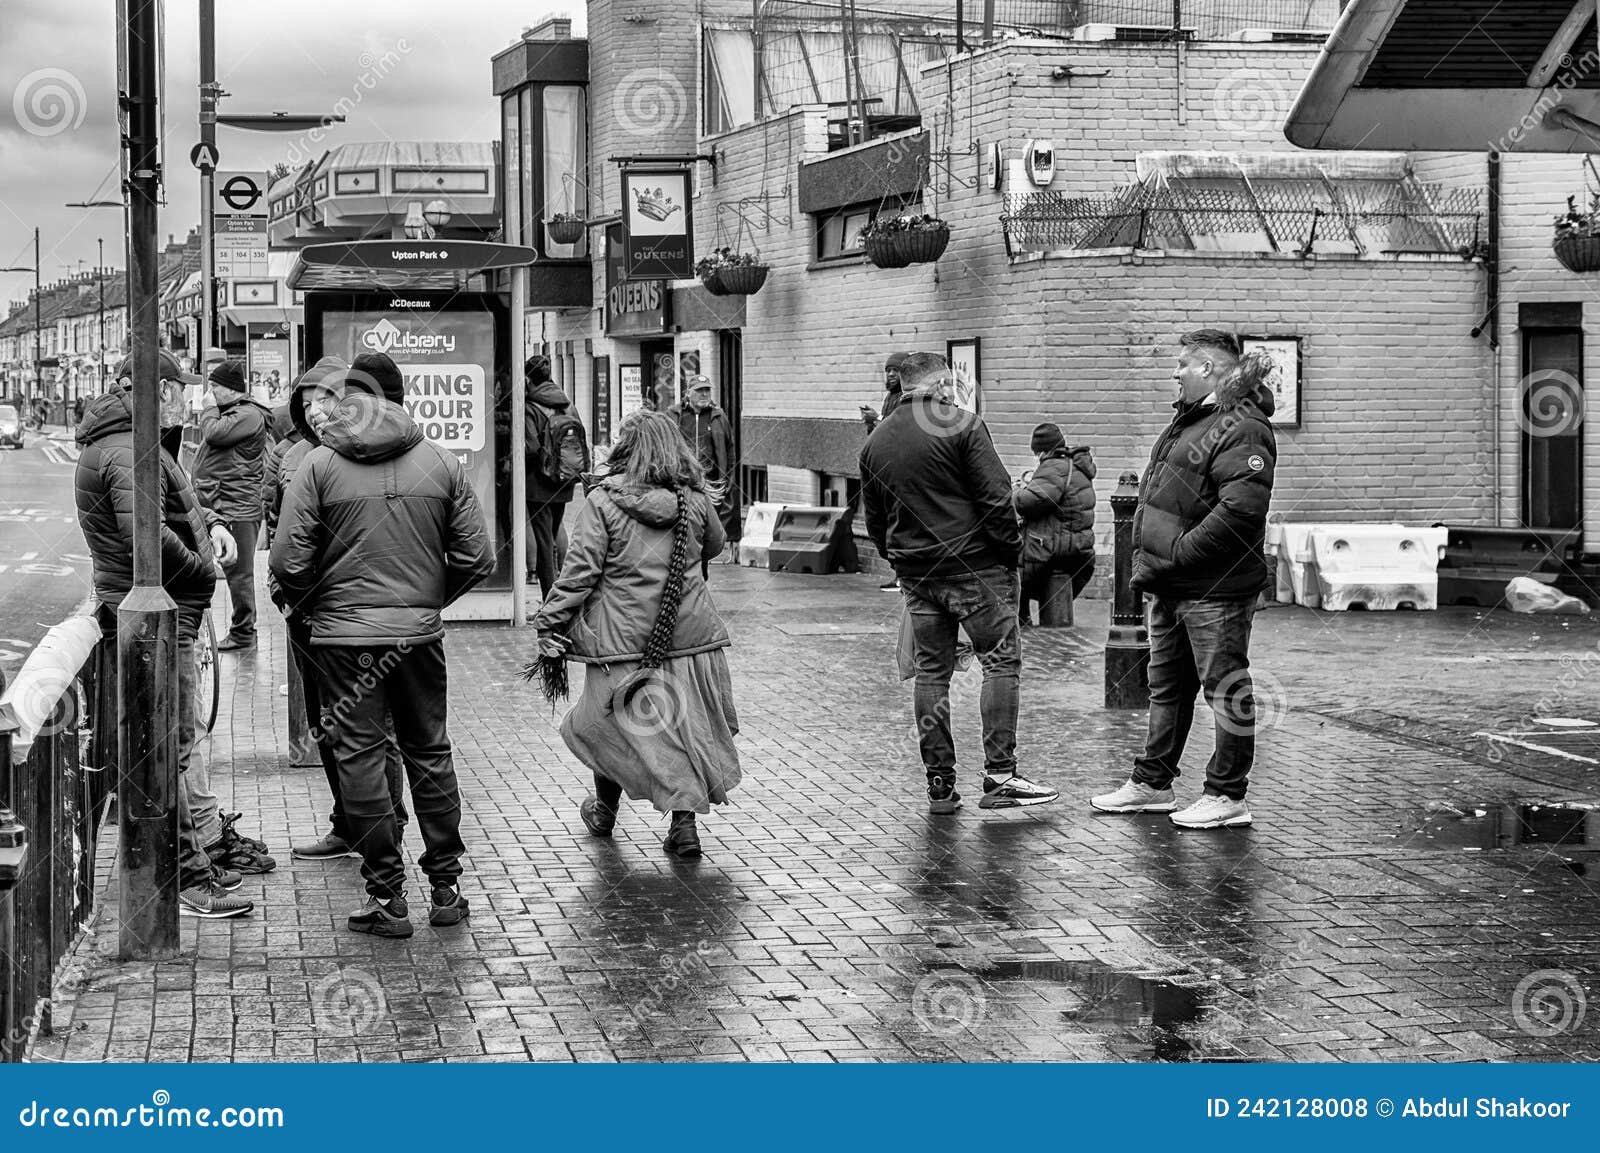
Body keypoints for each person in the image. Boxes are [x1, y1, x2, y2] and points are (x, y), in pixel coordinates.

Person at [270, 350, 494, 938]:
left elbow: (288, 562)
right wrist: (425, 601)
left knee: (361, 756)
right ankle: (446, 889)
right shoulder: (441, 462)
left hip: (342, 642)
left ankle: (388, 896)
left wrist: (319, 602)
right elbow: (479, 556)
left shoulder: (317, 466)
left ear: (351, 401)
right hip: (418, 639)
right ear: (402, 398)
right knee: (429, 751)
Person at [75, 366, 271, 919]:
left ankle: (186, 865)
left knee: (171, 741)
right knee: (169, 745)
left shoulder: (130, 443)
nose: (188, 397)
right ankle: (184, 876)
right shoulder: (128, 449)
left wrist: (208, 523)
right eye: (180, 388)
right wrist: (199, 570)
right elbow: (148, 534)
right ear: (157, 389)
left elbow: (169, 500)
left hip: (160, 613)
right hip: (157, 615)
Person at [532, 410, 741, 859]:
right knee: (682, 732)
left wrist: (550, 620)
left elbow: (580, 573)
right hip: (690, 640)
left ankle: (605, 812)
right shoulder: (695, 500)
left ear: (626, 449)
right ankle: (683, 828)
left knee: (609, 725)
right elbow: (715, 547)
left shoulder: (603, 503)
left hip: (622, 643)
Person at [1091, 330, 1278, 830]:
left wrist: (1179, 554)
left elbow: (1242, 509)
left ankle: (1227, 794)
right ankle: (1153, 784)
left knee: (1225, 689)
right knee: (1167, 687)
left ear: (1210, 369)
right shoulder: (1193, 419)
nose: (1174, 373)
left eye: (1181, 365)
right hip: (1173, 583)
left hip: (1213, 588)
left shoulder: (1243, 426)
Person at [859, 351, 1058, 815]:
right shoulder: (962, 425)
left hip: (917, 573)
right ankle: (1000, 775)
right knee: (1000, 663)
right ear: (939, 382)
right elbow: (995, 501)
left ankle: (940, 786)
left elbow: (874, 520)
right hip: (975, 567)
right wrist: (1009, 554)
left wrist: (900, 559)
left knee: (932, 673)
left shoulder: (876, 441)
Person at [262, 355, 410, 862]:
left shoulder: (360, 453)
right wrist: (288, 597)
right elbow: (280, 530)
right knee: (324, 721)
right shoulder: (293, 455)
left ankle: (387, 821)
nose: (316, 409)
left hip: (353, 610)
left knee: (372, 724)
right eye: (307, 401)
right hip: (307, 612)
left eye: (325, 397)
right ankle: (348, 821)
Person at [191, 359, 272, 651]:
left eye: (215, 386)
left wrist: (208, 408)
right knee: (234, 571)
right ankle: (242, 630)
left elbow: (213, 434)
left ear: (232, 389)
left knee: (239, 574)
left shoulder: (248, 415)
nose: (209, 392)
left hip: (237, 506)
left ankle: (242, 633)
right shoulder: (236, 414)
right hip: (224, 503)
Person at [1013, 422, 1097, 626]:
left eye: (1036, 452)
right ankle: (1023, 618)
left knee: (1008, 561)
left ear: (1042, 451)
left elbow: (1028, 503)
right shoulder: (1074, 465)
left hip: (1054, 549)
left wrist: (1015, 492)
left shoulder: (1053, 468)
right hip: (1079, 547)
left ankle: (1020, 619)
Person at [521, 356, 589, 598]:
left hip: (538, 484)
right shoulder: (567, 404)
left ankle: (550, 597)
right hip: (564, 480)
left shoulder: (530, 407)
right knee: (553, 533)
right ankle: (561, 588)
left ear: (528, 379)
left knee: (543, 543)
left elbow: (529, 448)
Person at [670, 374, 740, 570]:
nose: (704, 394)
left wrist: (727, 479)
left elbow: (730, 450)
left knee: (707, 528)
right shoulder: (674, 415)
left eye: (707, 390)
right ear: (687, 393)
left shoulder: (718, 416)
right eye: (699, 390)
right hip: (683, 484)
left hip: (711, 486)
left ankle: (701, 567)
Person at [860, 352, 911, 590]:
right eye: (888, 371)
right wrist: (872, 423)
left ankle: (903, 574)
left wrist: (878, 418)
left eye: (896, 371)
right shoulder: (890, 397)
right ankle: (897, 571)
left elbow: (897, 430)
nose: (891, 375)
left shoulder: (904, 399)